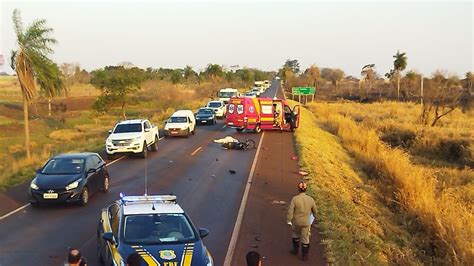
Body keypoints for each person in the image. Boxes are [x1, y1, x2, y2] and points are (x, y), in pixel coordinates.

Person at [286, 181, 317, 261]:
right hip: (306, 223)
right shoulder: (310, 199)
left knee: (295, 235)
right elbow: (315, 211)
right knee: (305, 238)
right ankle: (304, 255)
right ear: (306, 189)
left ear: (298, 189)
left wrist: (289, 220)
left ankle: (295, 250)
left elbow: (290, 210)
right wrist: (314, 217)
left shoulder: (295, 199)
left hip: (296, 222)